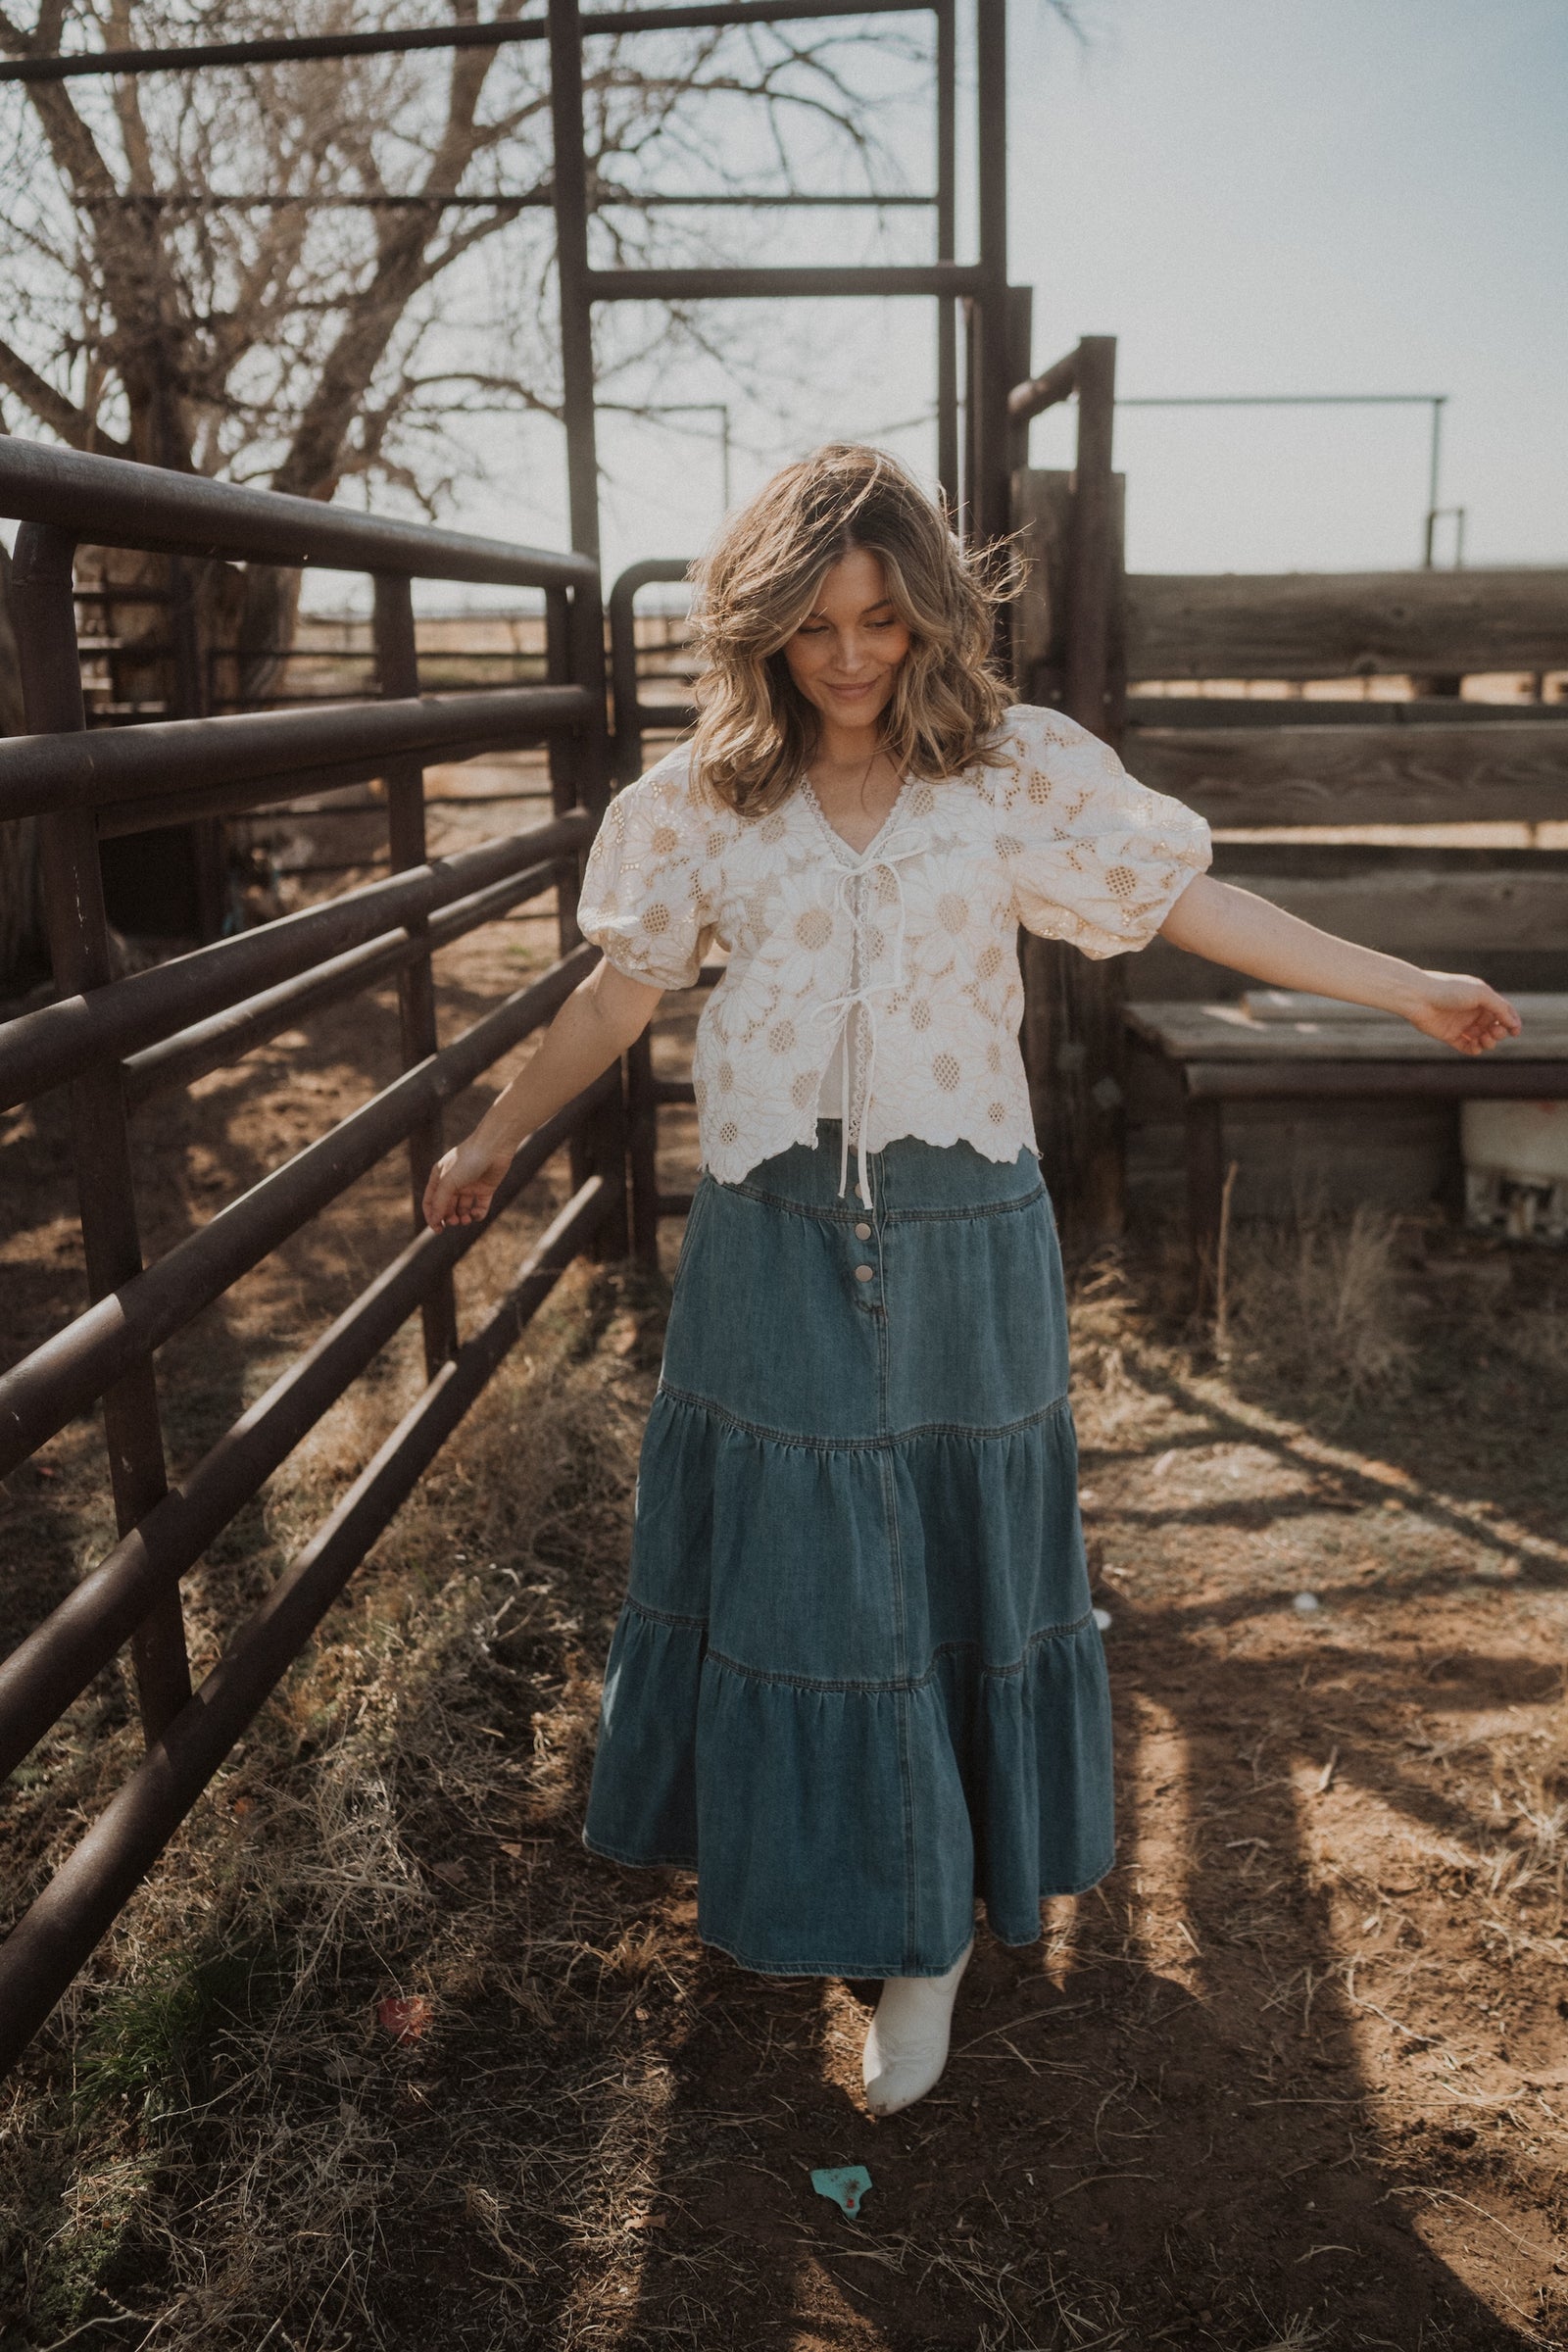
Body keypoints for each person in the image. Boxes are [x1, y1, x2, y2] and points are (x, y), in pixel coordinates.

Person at [423, 445, 1520, 2118]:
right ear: (764, 632)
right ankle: (821, 1884)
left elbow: (1188, 902)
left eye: (882, 622)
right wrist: (493, 1134)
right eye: (815, 627)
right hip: (773, 1232)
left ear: (930, 619)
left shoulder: (1012, 778)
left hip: (963, 1232)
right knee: (808, 1577)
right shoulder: (701, 804)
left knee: (937, 1574)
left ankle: (925, 1940)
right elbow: (610, 1000)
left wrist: (1407, 987)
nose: (852, 658)